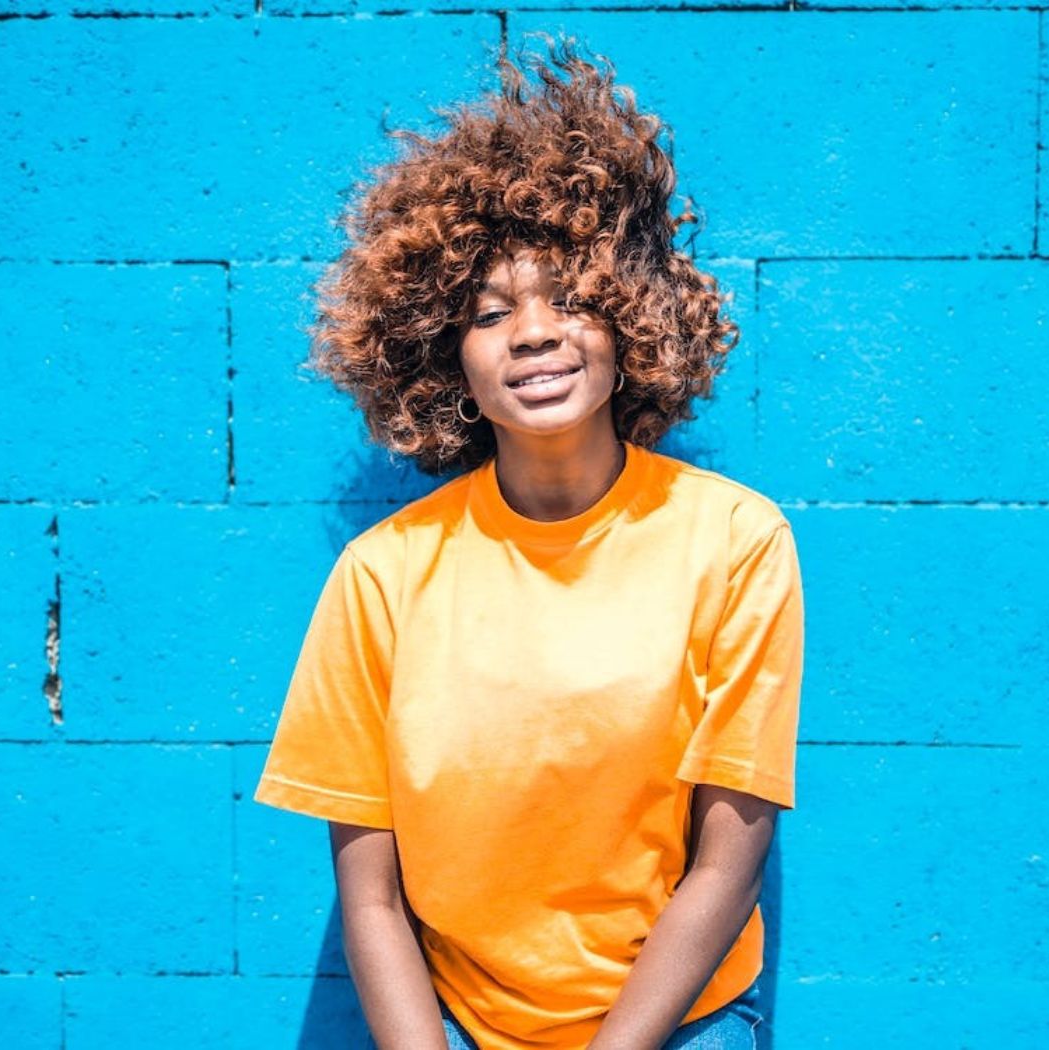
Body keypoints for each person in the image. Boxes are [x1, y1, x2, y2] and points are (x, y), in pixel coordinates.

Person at [254, 32, 805, 1050]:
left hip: (675, 1017)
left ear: (632, 318)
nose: (533, 332)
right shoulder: (382, 576)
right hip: (452, 1019)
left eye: (571, 299)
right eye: (489, 311)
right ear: (439, 355)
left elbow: (727, 862)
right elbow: (369, 895)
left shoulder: (733, 541)